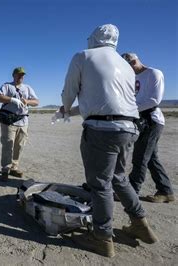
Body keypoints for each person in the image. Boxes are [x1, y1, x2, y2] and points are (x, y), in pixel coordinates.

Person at [59, 24, 158, 257]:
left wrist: (64, 109)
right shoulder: (125, 65)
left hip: (102, 130)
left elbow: (69, 90)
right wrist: (72, 111)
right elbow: (105, 99)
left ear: (93, 38)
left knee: (100, 184)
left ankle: (102, 237)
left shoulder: (83, 56)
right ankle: (140, 224)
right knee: (119, 178)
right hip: (129, 128)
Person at [121, 52, 175, 203]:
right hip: (140, 119)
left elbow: (154, 100)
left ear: (137, 60)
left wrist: (130, 110)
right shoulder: (133, 77)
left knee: (140, 157)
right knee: (151, 158)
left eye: (132, 63)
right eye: (128, 65)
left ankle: (130, 193)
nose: (131, 67)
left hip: (151, 120)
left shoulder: (154, 73)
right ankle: (166, 191)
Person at [0, 67, 39, 182]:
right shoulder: (7, 86)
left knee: (19, 146)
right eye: (19, 74)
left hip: (23, 122)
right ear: (13, 75)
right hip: (9, 121)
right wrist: (12, 100)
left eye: (22, 75)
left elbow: (36, 101)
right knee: (8, 145)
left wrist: (27, 101)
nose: (21, 77)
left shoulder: (28, 88)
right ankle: (5, 169)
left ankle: (14, 167)